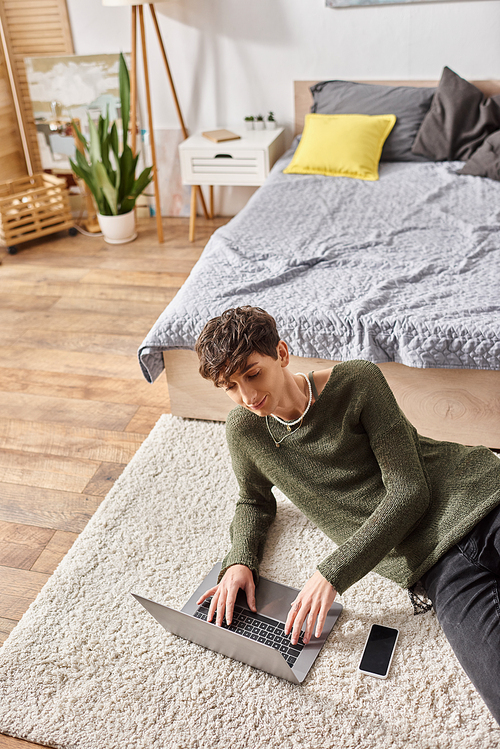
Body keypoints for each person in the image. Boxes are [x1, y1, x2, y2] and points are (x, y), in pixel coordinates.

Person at [194, 305, 500, 723]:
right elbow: (253, 499)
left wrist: (332, 574)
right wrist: (240, 560)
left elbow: (409, 492)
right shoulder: (245, 431)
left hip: (479, 495)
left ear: (281, 353)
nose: (246, 396)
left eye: (252, 373)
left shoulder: (357, 380)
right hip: (437, 566)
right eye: (229, 386)